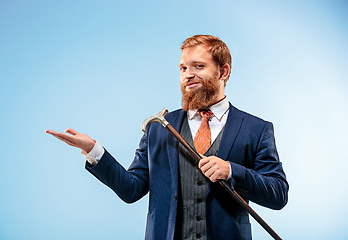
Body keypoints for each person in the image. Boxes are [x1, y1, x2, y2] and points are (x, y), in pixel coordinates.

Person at [46, 35, 288, 240]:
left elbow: (278, 194)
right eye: (183, 68)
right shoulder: (159, 127)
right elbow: (131, 189)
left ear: (223, 71)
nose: (188, 75)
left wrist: (232, 171)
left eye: (198, 67)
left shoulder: (256, 129)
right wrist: (94, 151)